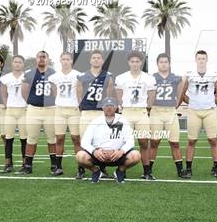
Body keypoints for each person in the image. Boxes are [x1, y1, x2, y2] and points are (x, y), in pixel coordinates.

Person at [76, 97, 141, 183]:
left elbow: (130, 141)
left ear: (116, 107)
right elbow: (84, 142)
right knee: (80, 156)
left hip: (117, 155)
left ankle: (120, 171)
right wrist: (94, 151)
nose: (109, 108)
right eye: (106, 106)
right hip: (99, 156)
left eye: (112, 105)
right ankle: (96, 171)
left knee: (136, 155)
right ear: (102, 107)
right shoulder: (95, 121)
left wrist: (121, 151)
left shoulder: (123, 121)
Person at [180, 50, 217, 177]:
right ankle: (188, 168)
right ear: (196, 60)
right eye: (199, 58)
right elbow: (182, 94)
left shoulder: (214, 74)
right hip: (194, 111)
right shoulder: (189, 75)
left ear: (207, 59)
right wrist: (192, 102)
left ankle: (216, 167)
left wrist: (209, 102)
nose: (201, 60)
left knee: (213, 140)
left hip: (209, 111)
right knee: (191, 141)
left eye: (203, 58)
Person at [115, 51, 157, 180]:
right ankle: (122, 169)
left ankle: (147, 171)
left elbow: (151, 95)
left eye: (137, 61)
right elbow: (118, 94)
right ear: (128, 63)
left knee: (144, 142)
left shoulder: (149, 78)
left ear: (141, 63)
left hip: (141, 112)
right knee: (124, 142)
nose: (134, 64)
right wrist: (122, 106)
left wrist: (147, 108)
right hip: (127, 112)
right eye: (132, 61)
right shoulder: (121, 77)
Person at [77, 49, 115, 178]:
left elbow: (109, 96)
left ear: (102, 60)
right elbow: (79, 94)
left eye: (99, 58)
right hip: (87, 112)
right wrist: (81, 107)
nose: (96, 60)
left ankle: (102, 169)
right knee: (83, 141)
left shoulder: (108, 76)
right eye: (94, 58)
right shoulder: (83, 76)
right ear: (90, 60)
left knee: (101, 142)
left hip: (100, 113)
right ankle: (81, 169)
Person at [149, 53, 188, 178]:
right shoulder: (151, 78)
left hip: (171, 112)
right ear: (157, 64)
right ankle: (148, 170)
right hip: (156, 111)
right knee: (155, 142)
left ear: (169, 64)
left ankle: (180, 170)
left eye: (166, 62)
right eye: (161, 62)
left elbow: (183, 86)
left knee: (175, 142)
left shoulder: (175, 78)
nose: (164, 64)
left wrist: (177, 102)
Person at [17, 51, 56, 175]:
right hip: (34, 109)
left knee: (52, 139)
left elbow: (56, 92)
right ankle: (28, 165)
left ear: (48, 59)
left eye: (44, 57)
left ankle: (54, 165)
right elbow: (24, 92)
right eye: (39, 57)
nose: (42, 59)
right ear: (36, 59)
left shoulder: (54, 74)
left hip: (50, 109)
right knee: (31, 138)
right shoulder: (29, 74)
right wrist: (32, 101)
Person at [49, 52, 82, 177]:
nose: (65, 61)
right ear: (60, 60)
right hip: (60, 110)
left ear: (71, 61)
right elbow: (54, 92)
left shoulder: (78, 75)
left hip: (74, 109)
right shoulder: (54, 76)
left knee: (76, 139)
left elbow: (80, 90)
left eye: (68, 59)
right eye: (63, 59)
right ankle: (58, 166)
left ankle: (80, 168)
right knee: (59, 138)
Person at [0, 55, 27, 173]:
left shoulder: (27, 77)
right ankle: (8, 163)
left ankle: (25, 163)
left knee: (24, 139)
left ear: (23, 64)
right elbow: (3, 94)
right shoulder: (6, 78)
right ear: (12, 63)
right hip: (10, 110)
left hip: (23, 110)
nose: (17, 64)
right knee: (8, 138)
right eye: (15, 62)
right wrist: (7, 105)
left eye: (20, 62)